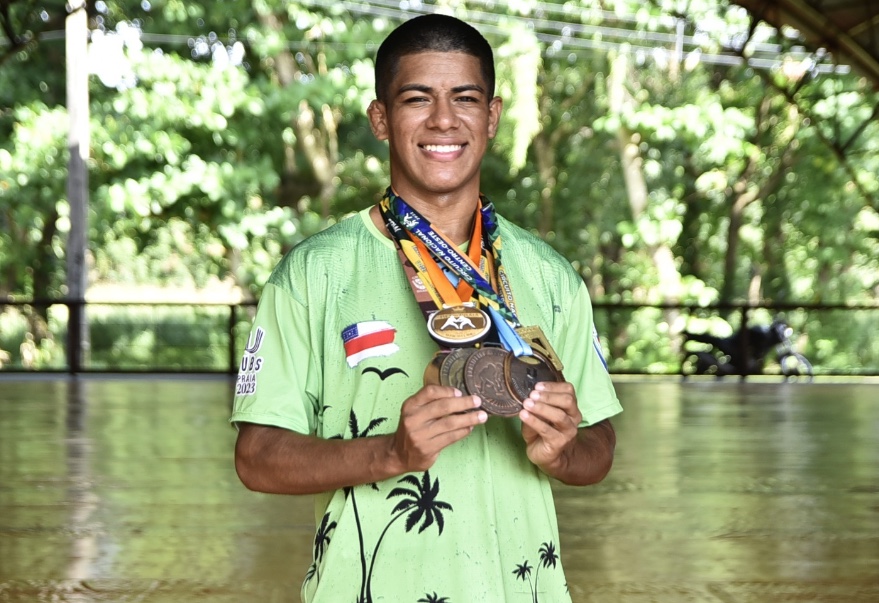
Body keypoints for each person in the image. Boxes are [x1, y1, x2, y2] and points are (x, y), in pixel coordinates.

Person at [231, 13, 622, 602]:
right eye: (418, 98)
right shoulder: (312, 274)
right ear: (381, 119)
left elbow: (600, 448)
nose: (444, 119)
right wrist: (392, 452)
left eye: (465, 98)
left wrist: (563, 453)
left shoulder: (550, 275)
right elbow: (257, 460)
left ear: (491, 117)